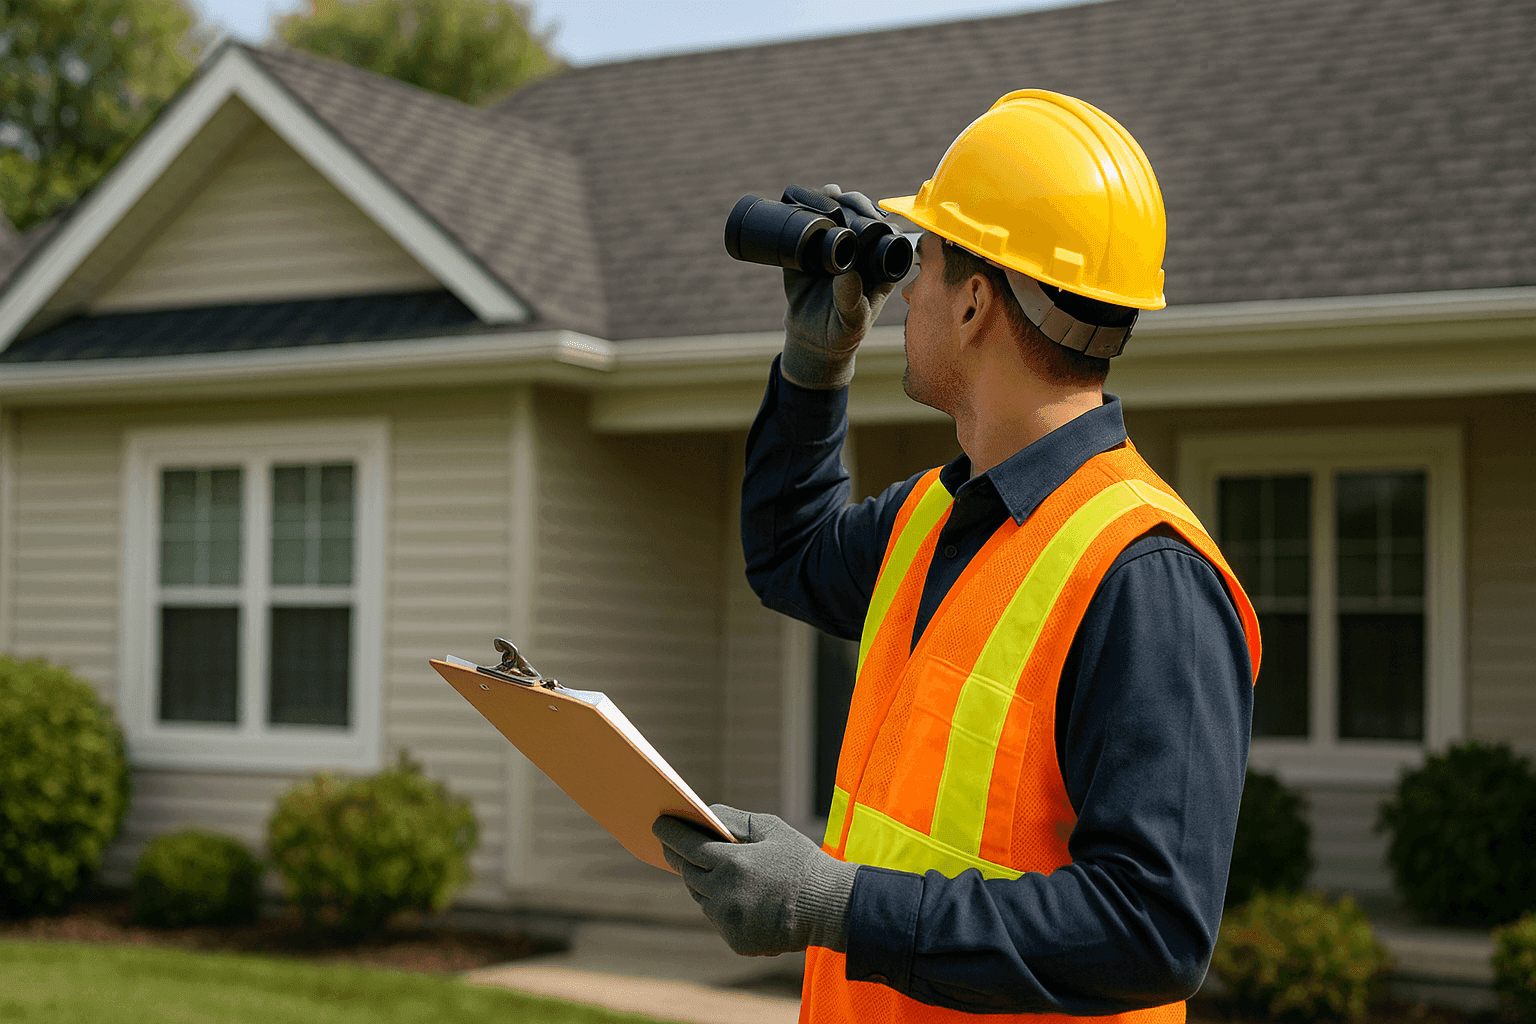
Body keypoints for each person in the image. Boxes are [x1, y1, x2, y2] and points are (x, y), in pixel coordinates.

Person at [653, 90, 1262, 1023]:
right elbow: (787, 553)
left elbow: (1153, 928)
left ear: (975, 301)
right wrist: (816, 368)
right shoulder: (934, 519)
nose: (903, 294)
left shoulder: (1146, 577)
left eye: (923, 261)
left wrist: (835, 901)